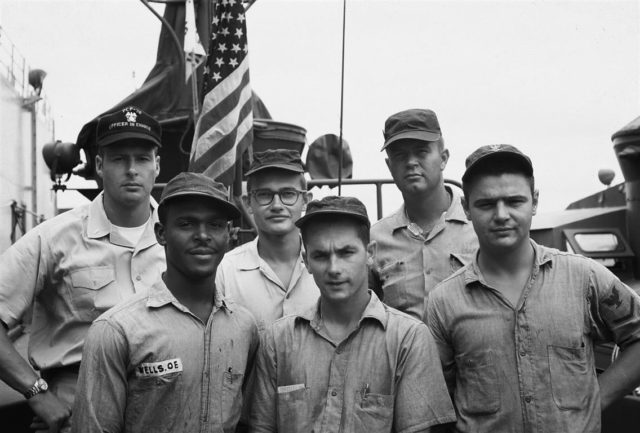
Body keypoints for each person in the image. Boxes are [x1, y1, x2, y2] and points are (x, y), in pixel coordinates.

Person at [426, 144, 640, 432]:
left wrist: (596, 400)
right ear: (466, 208)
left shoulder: (584, 278)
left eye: (514, 201)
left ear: (534, 202)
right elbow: (437, 399)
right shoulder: (444, 302)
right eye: (486, 204)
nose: (501, 215)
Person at [0, 106, 165, 432]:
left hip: (161, 405)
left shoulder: (177, 241)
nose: (132, 169)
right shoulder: (52, 239)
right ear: (100, 165)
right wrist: (35, 391)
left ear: (157, 165)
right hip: (77, 404)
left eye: (143, 158)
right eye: (119, 159)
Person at [249, 196, 455, 433]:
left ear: (370, 254)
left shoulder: (408, 339)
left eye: (346, 253)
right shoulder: (278, 340)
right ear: (306, 261)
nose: (334, 268)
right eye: (320, 256)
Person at [72, 172, 259, 433]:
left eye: (215, 225)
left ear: (229, 235)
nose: (202, 235)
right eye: (186, 224)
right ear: (161, 233)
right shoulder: (116, 330)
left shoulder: (243, 328)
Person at [370, 108, 477, 321]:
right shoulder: (375, 239)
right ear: (389, 166)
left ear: (443, 158)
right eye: (400, 155)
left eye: (421, 152)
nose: (411, 162)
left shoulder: (478, 227)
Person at [216, 149, 318, 332]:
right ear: (248, 203)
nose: (277, 205)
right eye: (264, 195)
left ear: (305, 201)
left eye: (288, 194)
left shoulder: (329, 267)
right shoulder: (225, 271)